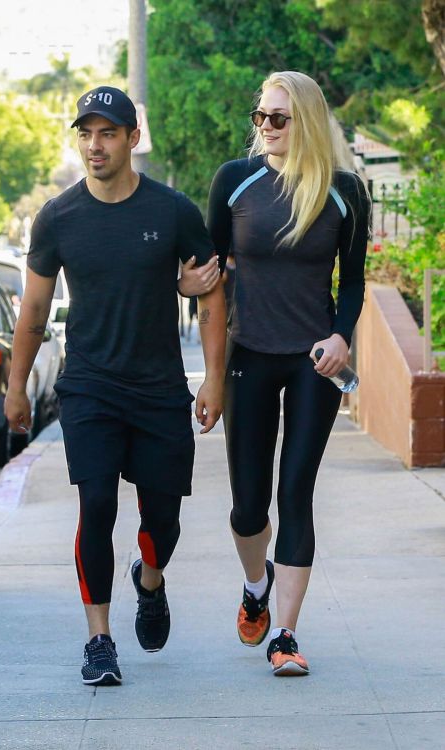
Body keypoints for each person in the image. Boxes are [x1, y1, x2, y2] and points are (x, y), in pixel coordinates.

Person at [4, 86, 226, 686]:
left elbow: (208, 289)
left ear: (133, 138)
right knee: (96, 502)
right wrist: (16, 386)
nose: (94, 145)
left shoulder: (172, 211)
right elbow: (33, 308)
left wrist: (212, 380)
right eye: (85, 133)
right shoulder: (58, 217)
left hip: (157, 388)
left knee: (163, 519)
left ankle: (149, 581)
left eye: (107, 133)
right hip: (90, 386)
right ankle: (98, 639)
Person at [207, 71, 369, 676]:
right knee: (249, 506)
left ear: (305, 121)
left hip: (312, 364)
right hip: (248, 355)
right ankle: (257, 585)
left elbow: (351, 281)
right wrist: (213, 369)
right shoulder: (234, 181)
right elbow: (212, 271)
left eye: (279, 118)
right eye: (261, 117)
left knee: (294, 492)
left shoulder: (344, 191)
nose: (267, 128)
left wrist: (340, 336)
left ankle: (285, 634)